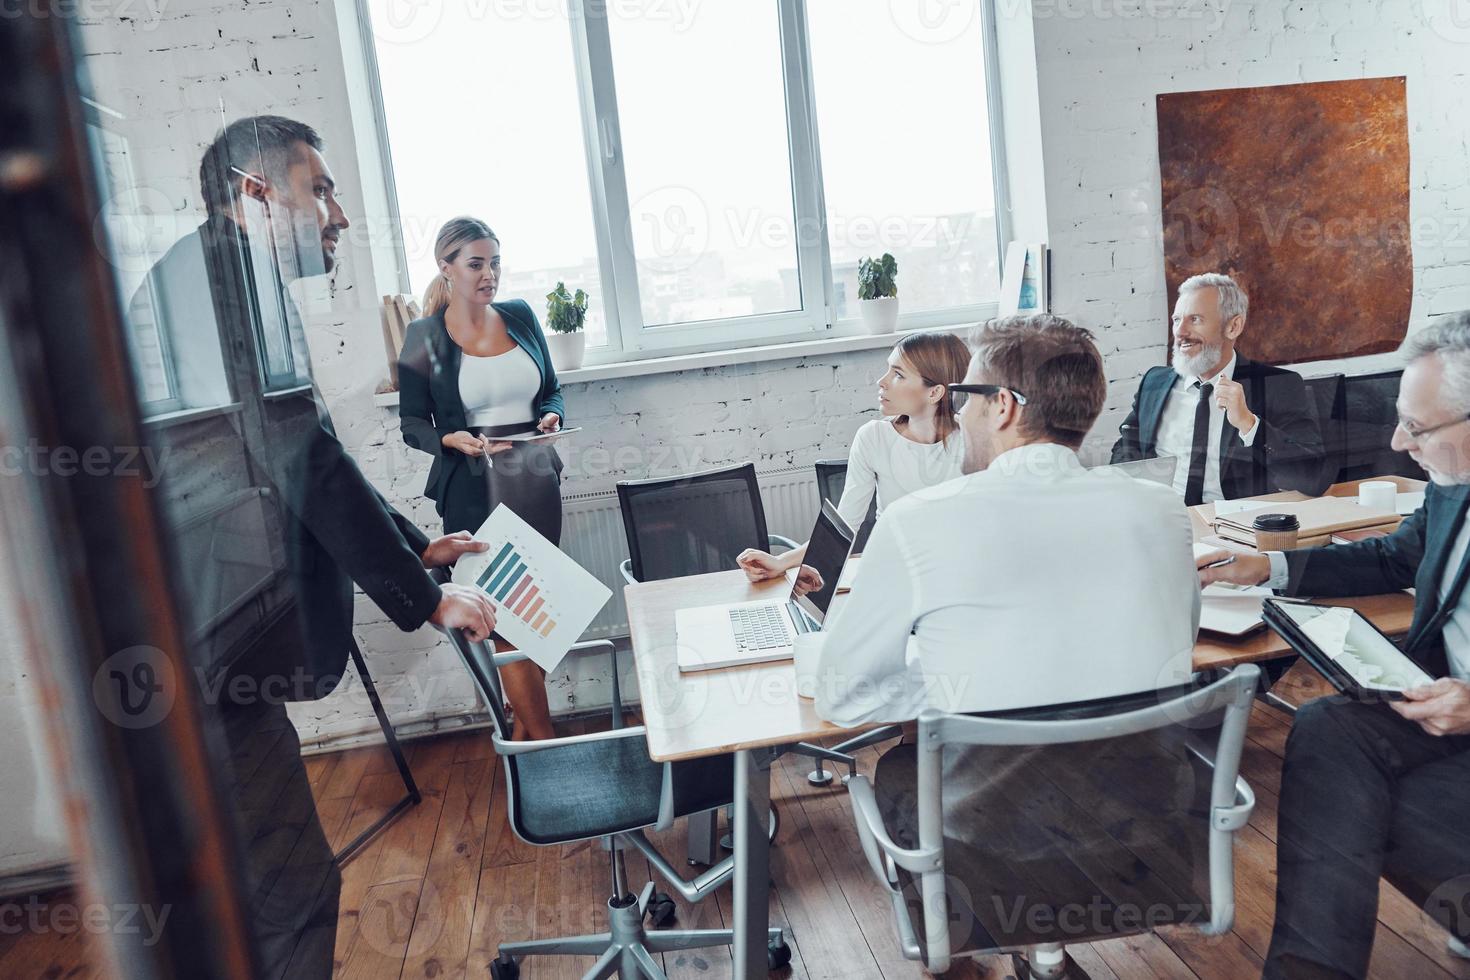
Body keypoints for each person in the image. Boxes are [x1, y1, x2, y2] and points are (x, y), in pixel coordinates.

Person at [131, 116, 497, 979]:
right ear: (257, 196)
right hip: (202, 659)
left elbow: (308, 450)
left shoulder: (223, 270)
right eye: (319, 189)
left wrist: (418, 550)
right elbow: (307, 459)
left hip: (203, 655)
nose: (336, 214)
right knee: (293, 895)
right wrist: (424, 596)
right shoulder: (226, 282)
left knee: (264, 892)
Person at [1198, 312, 1470, 980]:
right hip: (1446, 714)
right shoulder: (1451, 490)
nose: (1399, 442)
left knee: (1357, 807)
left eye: (1419, 425)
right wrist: (1270, 568)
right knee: (1328, 728)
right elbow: (1390, 559)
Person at [815, 314, 1200, 725]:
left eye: (968, 398)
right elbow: (1179, 641)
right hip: (1157, 783)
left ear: (1002, 406)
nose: (960, 413)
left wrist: (955, 677)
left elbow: (842, 695)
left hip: (981, 786)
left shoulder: (912, 523)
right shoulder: (1163, 510)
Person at [398, 217, 566, 741]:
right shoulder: (423, 336)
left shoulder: (519, 315)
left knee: (536, 614)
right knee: (505, 616)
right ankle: (547, 744)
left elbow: (553, 390)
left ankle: (524, 738)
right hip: (472, 491)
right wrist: (449, 438)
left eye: (495, 261)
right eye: (476, 264)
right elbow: (410, 425)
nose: (489, 273)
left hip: (536, 482)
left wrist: (552, 417)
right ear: (445, 268)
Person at [735, 331, 970, 582]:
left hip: (956, 577)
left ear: (934, 393)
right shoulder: (874, 438)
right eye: (888, 369)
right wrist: (781, 562)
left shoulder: (972, 441)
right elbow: (845, 525)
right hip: (895, 577)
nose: (882, 381)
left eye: (898, 375)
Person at [1111, 272, 1326, 504]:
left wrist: (1250, 424)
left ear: (1233, 327)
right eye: (1176, 320)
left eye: (1195, 319)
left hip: (1234, 525)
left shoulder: (1277, 385)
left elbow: (1312, 478)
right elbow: (1124, 449)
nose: (1180, 332)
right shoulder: (1155, 382)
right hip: (1165, 517)